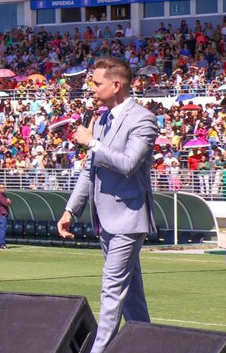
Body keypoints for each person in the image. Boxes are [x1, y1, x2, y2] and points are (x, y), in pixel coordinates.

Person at [57, 57, 157, 353]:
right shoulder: (101, 120)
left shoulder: (143, 119)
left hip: (128, 219)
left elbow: (127, 164)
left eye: (96, 83)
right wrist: (70, 210)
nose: (91, 88)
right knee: (132, 298)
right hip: (104, 221)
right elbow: (91, 172)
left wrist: (92, 144)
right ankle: (150, 345)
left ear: (116, 85)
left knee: (112, 290)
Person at [0, 184, 12, 249]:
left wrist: (8, 202)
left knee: (1, 229)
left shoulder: (3, 195)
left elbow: (10, 203)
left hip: (3, 214)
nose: (3, 189)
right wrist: (8, 201)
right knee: (2, 229)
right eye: (2, 188)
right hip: (2, 214)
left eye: (4, 187)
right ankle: (2, 244)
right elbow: (6, 203)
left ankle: (1, 244)